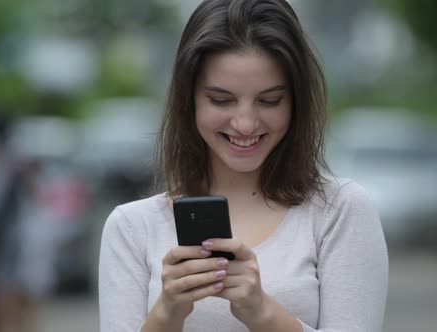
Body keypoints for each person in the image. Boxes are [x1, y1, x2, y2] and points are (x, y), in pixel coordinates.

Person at [98, 0, 388, 331]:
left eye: (269, 101)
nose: (246, 124)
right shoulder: (132, 228)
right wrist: (167, 312)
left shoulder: (338, 211)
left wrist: (262, 312)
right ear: (188, 99)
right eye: (221, 100)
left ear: (296, 102)